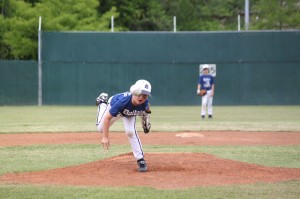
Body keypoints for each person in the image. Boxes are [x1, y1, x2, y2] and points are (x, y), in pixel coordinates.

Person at [95, 80, 152, 172]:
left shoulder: (144, 103)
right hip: (115, 107)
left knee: (130, 132)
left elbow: (147, 110)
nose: (142, 97)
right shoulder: (122, 102)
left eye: (145, 96)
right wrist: (105, 137)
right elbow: (107, 119)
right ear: (134, 92)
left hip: (129, 113)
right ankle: (102, 102)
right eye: (139, 94)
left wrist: (145, 123)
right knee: (100, 129)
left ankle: (140, 160)